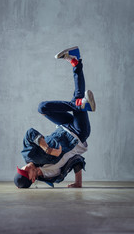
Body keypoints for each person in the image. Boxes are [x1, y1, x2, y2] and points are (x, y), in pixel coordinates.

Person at [14, 46, 96, 188]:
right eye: (25, 172)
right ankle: (75, 62)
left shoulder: (29, 155)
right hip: (78, 133)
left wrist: (47, 149)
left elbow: (30, 134)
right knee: (78, 96)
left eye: (22, 168)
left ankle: (80, 104)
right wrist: (78, 183)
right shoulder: (53, 176)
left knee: (43, 108)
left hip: (63, 126)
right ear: (33, 179)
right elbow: (76, 160)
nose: (25, 167)